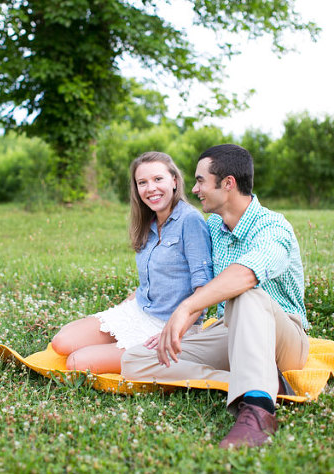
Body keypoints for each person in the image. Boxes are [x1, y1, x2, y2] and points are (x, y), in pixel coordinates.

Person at [121, 144, 309, 449]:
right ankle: (247, 381)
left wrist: (185, 310)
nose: (194, 189)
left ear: (228, 183)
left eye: (200, 181)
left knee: (246, 294)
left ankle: (259, 410)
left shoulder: (274, 228)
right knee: (135, 360)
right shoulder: (213, 229)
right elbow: (188, 272)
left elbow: (246, 274)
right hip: (230, 330)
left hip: (284, 338)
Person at [51, 152, 213, 373]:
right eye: (142, 182)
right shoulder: (149, 221)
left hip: (169, 325)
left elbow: (204, 292)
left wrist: (173, 333)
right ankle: (116, 342)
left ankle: (126, 348)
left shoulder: (190, 221)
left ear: (174, 180)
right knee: (61, 343)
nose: (151, 188)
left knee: (77, 362)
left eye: (158, 179)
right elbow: (152, 283)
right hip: (138, 311)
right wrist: (119, 313)